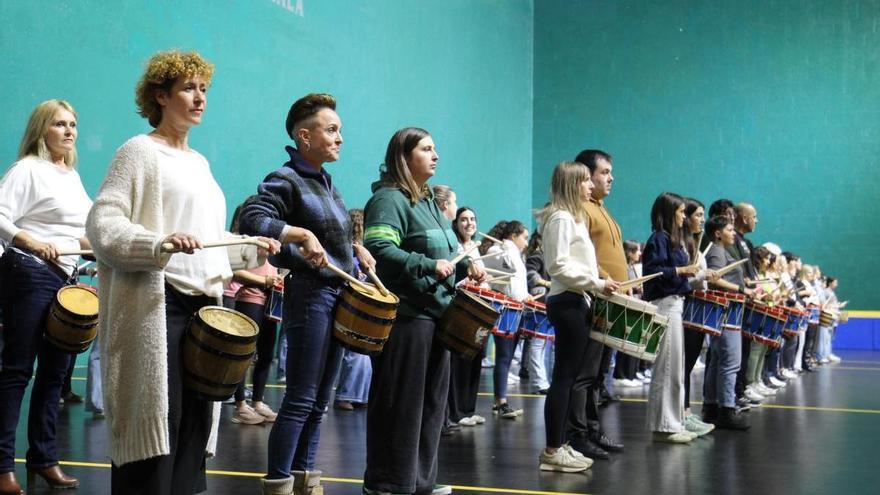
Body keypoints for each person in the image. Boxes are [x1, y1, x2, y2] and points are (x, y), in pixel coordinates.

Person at [86, 50, 279, 495]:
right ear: (160, 95)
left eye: (204, 90)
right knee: (157, 430)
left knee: (193, 426)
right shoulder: (138, 151)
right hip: (158, 307)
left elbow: (207, 243)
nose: (200, 98)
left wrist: (250, 250)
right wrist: (157, 244)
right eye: (189, 89)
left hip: (203, 311)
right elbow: (103, 225)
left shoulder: (200, 164)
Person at [238, 92, 373, 495]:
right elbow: (253, 216)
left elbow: (334, 239)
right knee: (300, 398)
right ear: (304, 136)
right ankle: (279, 482)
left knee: (320, 401)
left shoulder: (328, 184)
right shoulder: (286, 178)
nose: (340, 138)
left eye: (340, 130)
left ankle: (305, 478)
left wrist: (355, 249)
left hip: (337, 296)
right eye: (331, 130)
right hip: (310, 297)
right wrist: (296, 233)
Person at [362, 127, 485, 495]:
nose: (436, 155)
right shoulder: (388, 200)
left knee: (431, 405)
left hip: (437, 317)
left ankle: (419, 481)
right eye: (427, 149)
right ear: (405, 156)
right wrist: (426, 265)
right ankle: (388, 482)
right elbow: (380, 250)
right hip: (407, 318)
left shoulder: (430, 203)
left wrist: (465, 267)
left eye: (435, 148)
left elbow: (444, 256)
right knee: (401, 404)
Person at [0, 99, 91, 494]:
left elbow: (82, 234)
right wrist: (32, 241)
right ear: (42, 130)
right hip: (29, 274)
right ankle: (3, 467)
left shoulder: (70, 176)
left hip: (66, 281)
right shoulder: (27, 170)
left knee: (54, 375)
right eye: (59, 124)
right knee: (18, 371)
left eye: (72, 124)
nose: (69, 131)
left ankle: (44, 459)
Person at [539, 161, 620, 472]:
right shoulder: (560, 218)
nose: (591, 186)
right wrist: (597, 283)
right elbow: (557, 266)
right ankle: (552, 450)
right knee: (564, 379)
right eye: (585, 180)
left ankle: (558, 446)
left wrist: (597, 284)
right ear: (573, 185)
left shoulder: (573, 218)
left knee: (569, 378)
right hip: (567, 303)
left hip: (578, 301)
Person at [567, 149, 627, 458]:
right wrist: (605, 280)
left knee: (599, 373)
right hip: (595, 298)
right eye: (604, 172)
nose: (610, 177)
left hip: (611, 299)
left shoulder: (602, 209)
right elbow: (584, 257)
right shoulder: (581, 210)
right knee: (585, 373)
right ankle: (577, 434)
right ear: (587, 175)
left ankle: (592, 429)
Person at [642, 192, 714, 443]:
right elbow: (653, 273)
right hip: (664, 305)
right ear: (669, 213)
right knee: (667, 367)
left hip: (676, 304)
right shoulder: (658, 239)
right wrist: (682, 270)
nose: (684, 216)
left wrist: (695, 276)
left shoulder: (671, 240)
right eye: (681, 212)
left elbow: (677, 277)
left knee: (674, 368)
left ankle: (672, 422)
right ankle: (664, 427)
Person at [229, 198, 284, 426]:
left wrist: (279, 279)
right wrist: (265, 280)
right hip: (250, 298)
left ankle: (259, 402)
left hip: (270, 300)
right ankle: (241, 405)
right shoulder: (243, 241)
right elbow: (235, 273)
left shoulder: (272, 241)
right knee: (245, 355)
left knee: (266, 354)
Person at [700, 215, 751, 430]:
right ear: (718, 233)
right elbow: (713, 279)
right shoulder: (718, 251)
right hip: (726, 312)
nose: (733, 233)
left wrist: (743, 282)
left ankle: (712, 407)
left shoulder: (720, 251)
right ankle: (727, 410)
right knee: (730, 362)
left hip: (724, 313)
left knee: (717, 362)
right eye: (730, 229)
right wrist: (740, 289)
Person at [445, 206, 487, 428]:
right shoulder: (455, 247)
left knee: (475, 360)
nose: (469, 223)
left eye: (472, 219)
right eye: (464, 219)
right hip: (462, 308)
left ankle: (469, 409)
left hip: (479, 308)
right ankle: (458, 411)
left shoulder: (476, 247)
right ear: (456, 224)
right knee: (460, 362)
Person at [681, 198, 714, 434]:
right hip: (685, 310)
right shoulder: (682, 245)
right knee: (682, 366)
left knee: (689, 365)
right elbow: (682, 280)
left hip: (697, 309)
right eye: (698, 215)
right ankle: (682, 414)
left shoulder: (696, 245)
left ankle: (686, 412)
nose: (701, 220)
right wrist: (702, 276)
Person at [334, 208, 373, 411]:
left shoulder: (362, 251)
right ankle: (347, 395)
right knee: (355, 353)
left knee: (360, 353)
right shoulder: (349, 250)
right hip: (351, 303)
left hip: (361, 303)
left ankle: (357, 395)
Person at [613, 240, 645, 387]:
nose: (639, 253)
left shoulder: (631, 267)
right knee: (626, 342)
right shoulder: (624, 267)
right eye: (637, 251)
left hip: (635, 305)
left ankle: (631, 374)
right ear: (630, 253)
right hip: (626, 307)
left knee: (633, 341)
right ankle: (621, 375)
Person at [523, 232, 551, 393]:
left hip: (545, 304)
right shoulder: (537, 256)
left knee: (541, 345)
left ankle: (542, 381)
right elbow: (530, 274)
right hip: (539, 304)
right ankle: (539, 383)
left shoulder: (546, 256)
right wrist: (548, 283)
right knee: (537, 344)